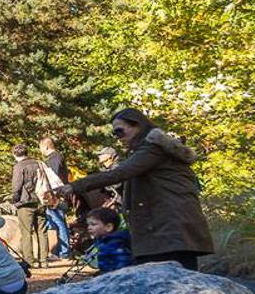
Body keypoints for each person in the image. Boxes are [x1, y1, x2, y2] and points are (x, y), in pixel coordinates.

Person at [59, 108, 213, 270]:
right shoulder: (146, 150)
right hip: (167, 229)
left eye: (120, 131)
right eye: (115, 134)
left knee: (171, 284)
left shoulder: (153, 149)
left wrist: (74, 186)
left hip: (170, 229)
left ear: (138, 126)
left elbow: (119, 173)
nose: (118, 138)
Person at [10, 145, 47, 267]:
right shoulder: (38, 163)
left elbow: (16, 187)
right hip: (41, 200)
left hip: (25, 202)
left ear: (14, 154)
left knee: (26, 232)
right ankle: (44, 260)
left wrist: (14, 201)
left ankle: (29, 261)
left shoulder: (19, 166)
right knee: (42, 231)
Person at [39, 136, 73, 260]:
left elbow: (53, 178)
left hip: (56, 196)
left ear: (46, 146)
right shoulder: (57, 157)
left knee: (59, 223)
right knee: (54, 223)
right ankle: (58, 250)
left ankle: (64, 252)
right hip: (57, 195)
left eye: (40, 147)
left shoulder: (54, 158)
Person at [84, 207, 133, 273]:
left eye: (93, 224)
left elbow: (123, 263)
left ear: (108, 227)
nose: (89, 228)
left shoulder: (115, 243)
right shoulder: (102, 241)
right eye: (88, 225)